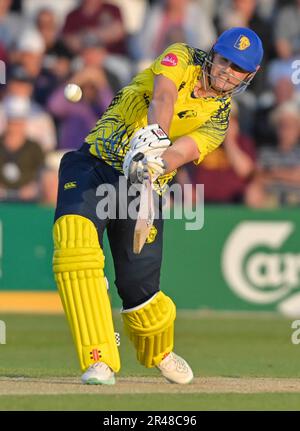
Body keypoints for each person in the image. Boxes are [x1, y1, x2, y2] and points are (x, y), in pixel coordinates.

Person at [52, 27, 263, 385]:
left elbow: (184, 153)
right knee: (75, 248)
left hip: (144, 187)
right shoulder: (181, 56)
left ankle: (159, 351)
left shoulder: (219, 120)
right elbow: (162, 98)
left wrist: (156, 162)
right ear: (214, 53)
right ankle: (99, 359)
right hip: (95, 163)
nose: (227, 70)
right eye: (224, 59)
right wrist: (155, 138)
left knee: (140, 293)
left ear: (250, 76)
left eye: (238, 68)